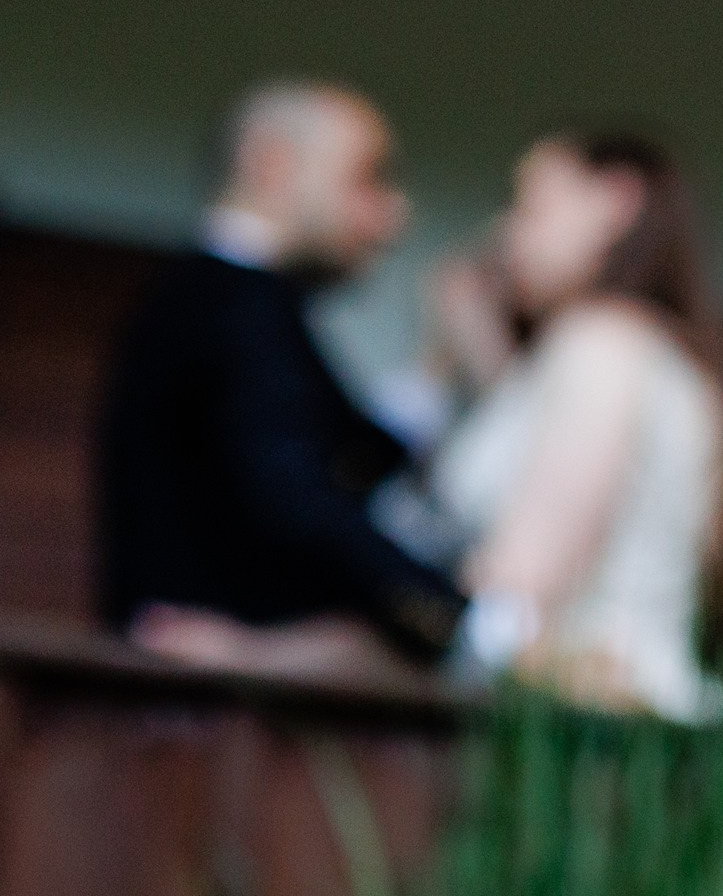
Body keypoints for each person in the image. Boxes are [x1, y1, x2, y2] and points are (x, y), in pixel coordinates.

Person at [96, 81, 467, 677]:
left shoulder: (224, 304)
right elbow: (296, 498)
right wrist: (449, 615)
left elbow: (329, 458)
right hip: (201, 703)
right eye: (366, 179)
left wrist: (437, 369)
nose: (392, 216)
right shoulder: (237, 311)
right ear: (272, 163)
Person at [428, 131, 723, 720]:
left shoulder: (600, 344)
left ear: (615, 201)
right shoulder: (647, 354)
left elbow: (520, 591)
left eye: (529, 207)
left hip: (567, 733)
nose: (507, 233)